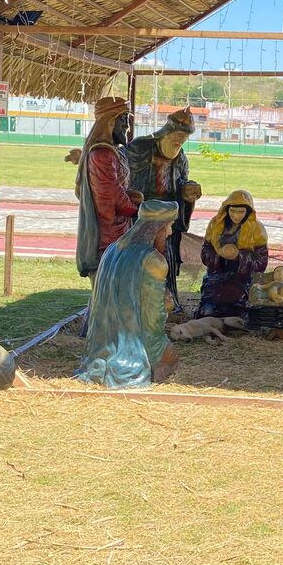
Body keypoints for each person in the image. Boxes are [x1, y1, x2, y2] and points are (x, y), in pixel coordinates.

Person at [76, 200, 181, 389]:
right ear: (158, 227)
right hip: (130, 347)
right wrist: (167, 306)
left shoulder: (111, 250)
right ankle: (148, 368)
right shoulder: (153, 261)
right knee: (172, 356)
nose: (170, 233)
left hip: (97, 350)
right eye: (169, 227)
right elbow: (152, 320)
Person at [125, 108, 202, 303]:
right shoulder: (140, 148)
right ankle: (136, 300)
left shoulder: (181, 158)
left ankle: (165, 301)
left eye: (184, 139)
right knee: (139, 261)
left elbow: (181, 181)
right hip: (140, 217)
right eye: (177, 137)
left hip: (167, 220)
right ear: (166, 131)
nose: (179, 142)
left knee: (165, 261)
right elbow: (117, 165)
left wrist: (187, 191)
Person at [75, 96, 142, 279]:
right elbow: (111, 197)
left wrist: (132, 198)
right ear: (110, 121)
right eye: (124, 118)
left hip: (119, 229)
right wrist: (138, 209)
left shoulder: (112, 152)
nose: (127, 126)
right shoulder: (102, 154)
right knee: (110, 289)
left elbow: (118, 190)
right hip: (108, 236)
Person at [196, 190, 268, 318]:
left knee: (237, 306)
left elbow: (261, 261)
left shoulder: (256, 228)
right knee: (209, 308)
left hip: (242, 275)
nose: (236, 216)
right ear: (226, 209)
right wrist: (219, 254)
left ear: (248, 212)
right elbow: (206, 250)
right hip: (218, 272)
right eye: (232, 211)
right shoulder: (215, 224)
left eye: (241, 212)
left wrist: (239, 256)